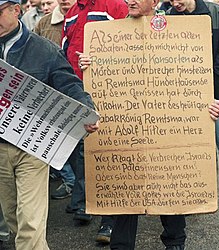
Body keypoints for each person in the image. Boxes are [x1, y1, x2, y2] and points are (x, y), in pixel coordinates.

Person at [105, 0, 219, 249]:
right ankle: (121, 244)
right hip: (132, 120)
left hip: (169, 121)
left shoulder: (172, 28)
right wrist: (91, 65)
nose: (129, 1)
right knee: (128, 182)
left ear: (153, 2)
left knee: (168, 177)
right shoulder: (114, 33)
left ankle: (175, 241)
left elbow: (189, 74)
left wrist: (203, 102)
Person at [0, 0, 99, 249]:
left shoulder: (43, 49)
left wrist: (86, 109)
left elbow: (68, 84)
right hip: (1, 149)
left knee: (30, 224)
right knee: (14, 216)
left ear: (16, 10)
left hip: (33, 147)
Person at [162, 0, 219, 210]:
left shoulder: (215, 12)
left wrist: (208, 76)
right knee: (187, 144)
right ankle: (193, 191)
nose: (176, 3)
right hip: (183, 93)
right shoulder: (168, 16)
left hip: (216, 90)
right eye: (171, 0)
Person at [62, 0, 129, 244]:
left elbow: (129, 48)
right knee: (79, 151)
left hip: (109, 93)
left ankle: (109, 221)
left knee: (108, 155)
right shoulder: (71, 12)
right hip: (76, 93)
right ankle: (84, 203)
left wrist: (100, 64)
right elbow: (65, 51)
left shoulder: (115, 6)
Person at [34, 0, 77, 201]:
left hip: (73, 85)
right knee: (56, 140)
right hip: (50, 93)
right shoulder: (44, 23)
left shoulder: (80, 16)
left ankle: (79, 191)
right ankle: (69, 181)